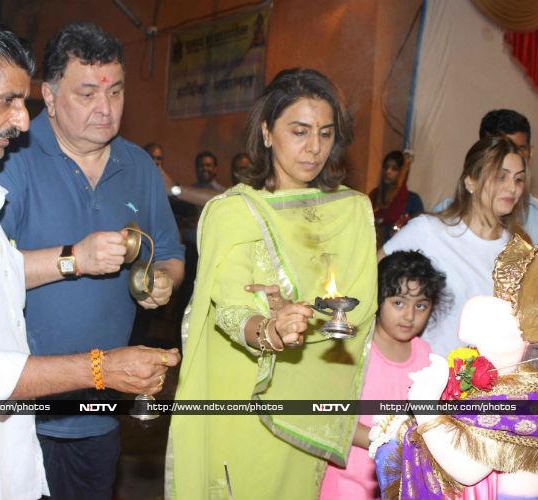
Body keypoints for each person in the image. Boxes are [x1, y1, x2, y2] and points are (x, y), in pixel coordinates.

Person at [0, 24, 179, 500]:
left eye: (21, 102)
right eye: (6, 101)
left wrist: (78, 258)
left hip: (3, 454)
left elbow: (5, 274)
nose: (23, 121)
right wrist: (99, 369)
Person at [0, 22, 184, 500]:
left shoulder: (137, 166)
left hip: (100, 403)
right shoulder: (9, 160)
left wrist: (162, 281)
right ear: (49, 97)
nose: (105, 108)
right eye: (87, 94)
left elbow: (172, 253)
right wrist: (75, 258)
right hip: (18, 410)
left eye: (115, 92)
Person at [166, 68, 378, 499]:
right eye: (298, 132)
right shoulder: (235, 212)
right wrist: (269, 331)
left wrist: (301, 316)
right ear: (266, 132)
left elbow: (359, 307)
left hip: (305, 394)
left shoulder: (350, 212)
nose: (313, 148)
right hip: (239, 393)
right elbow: (228, 305)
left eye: (324, 133)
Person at [380, 135, 528, 357]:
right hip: (426, 377)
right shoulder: (428, 231)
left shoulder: (519, 252)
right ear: (471, 182)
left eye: (519, 179)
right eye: (500, 177)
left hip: (488, 384)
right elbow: (373, 279)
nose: (512, 188)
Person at [320, 251, 445, 499]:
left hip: (400, 484)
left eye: (420, 305)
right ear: (377, 300)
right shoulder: (354, 349)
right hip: (345, 482)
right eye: (398, 303)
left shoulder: (425, 355)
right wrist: (385, 442)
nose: (410, 316)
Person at [433, 109, 538, 244]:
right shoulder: (442, 217)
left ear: (530, 152)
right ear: (482, 151)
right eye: (500, 149)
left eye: (519, 149)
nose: (512, 157)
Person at [370, 150, 424, 247]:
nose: (388, 172)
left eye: (394, 169)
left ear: (402, 172)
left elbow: (419, 233)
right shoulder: (374, 196)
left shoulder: (412, 201)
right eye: (385, 167)